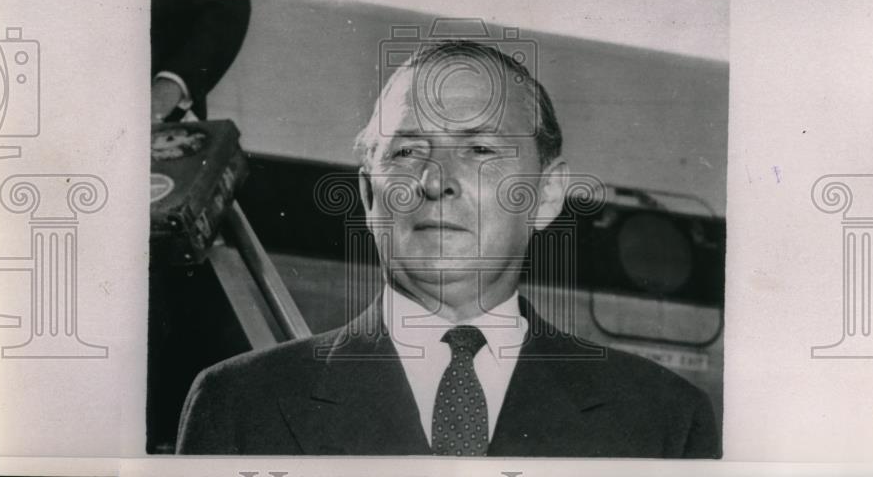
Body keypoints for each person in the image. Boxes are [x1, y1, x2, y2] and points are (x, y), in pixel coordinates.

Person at [175, 40, 720, 457]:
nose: (438, 180)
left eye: (481, 148)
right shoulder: (240, 406)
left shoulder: (664, 421)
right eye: (408, 151)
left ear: (547, 194)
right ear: (369, 193)